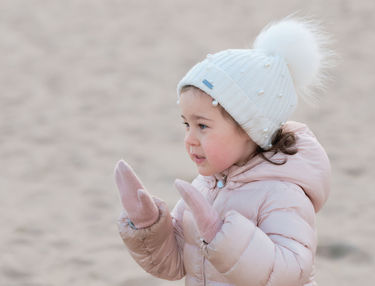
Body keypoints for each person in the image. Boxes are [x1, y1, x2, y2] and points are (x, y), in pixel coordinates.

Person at [114, 17, 333, 286]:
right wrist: (149, 225)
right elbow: (174, 265)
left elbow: (291, 270)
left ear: (249, 128)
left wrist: (222, 236)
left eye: (202, 125)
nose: (189, 139)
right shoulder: (207, 185)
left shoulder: (282, 193)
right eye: (186, 124)